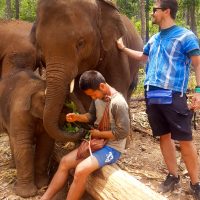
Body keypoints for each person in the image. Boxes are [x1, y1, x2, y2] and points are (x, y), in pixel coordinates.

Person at [117, 0, 200, 199]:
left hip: (173, 96)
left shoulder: (185, 36)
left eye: (155, 10)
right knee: (163, 137)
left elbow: (198, 64)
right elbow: (144, 57)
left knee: (185, 140)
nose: (152, 13)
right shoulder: (154, 39)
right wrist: (123, 49)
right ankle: (173, 176)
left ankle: (196, 183)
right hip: (152, 97)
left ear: (166, 11)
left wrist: (198, 91)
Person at [40, 70, 130, 200]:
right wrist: (77, 117)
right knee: (65, 162)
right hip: (97, 142)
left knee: (81, 170)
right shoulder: (98, 97)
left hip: (112, 148)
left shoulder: (118, 103)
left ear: (102, 86)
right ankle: (45, 198)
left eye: (93, 94)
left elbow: (123, 132)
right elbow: (91, 116)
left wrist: (99, 133)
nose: (93, 98)